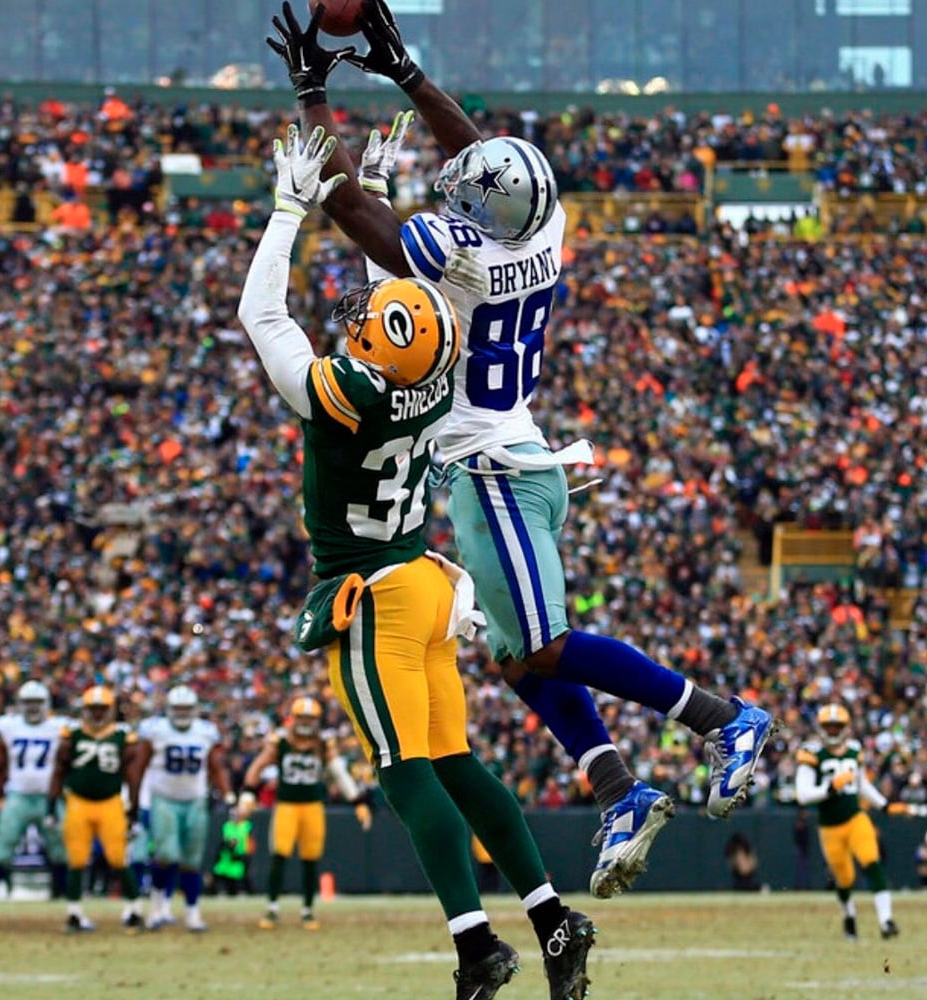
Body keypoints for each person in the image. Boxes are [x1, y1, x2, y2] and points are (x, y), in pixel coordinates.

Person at [267, 0, 776, 899]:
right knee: (513, 657)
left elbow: (348, 204)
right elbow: (478, 158)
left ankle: (721, 717)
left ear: (476, 210)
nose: (453, 182)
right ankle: (620, 788)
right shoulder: (540, 222)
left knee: (538, 644)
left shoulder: (459, 254)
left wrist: (312, 93)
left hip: (493, 470)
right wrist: (408, 73)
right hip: (510, 454)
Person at [237, 122, 594, 1000]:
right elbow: (408, 304)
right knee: (460, 763)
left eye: (363, 326)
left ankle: (478, 946)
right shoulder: (439, 376)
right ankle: (553, 919)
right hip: (426, 583)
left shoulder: (345, 391)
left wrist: (289, 208)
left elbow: (262, 314)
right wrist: (376, 183)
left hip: (375, 594)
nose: (355, 324)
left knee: (406, 775)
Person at [244, 696, 372, 931]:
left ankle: (308, 910)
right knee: (279, 855)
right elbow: (258, 766)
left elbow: (338, 773)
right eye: (301, 717)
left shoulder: (323, 743)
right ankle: (272, 907)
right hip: (287, 805)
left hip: (313, 806)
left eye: (309, 718)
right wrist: (249, 793)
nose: (305, 723)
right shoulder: (281, 740)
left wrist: (357, 800)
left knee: (311, 858)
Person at [0, 680, 69, 931]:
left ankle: (74, 912)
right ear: (20, 704)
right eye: (28, 703)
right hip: (17, 796)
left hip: (48, 797)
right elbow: (0, 768)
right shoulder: (9, 727)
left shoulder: (58, 728)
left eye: (36, 703)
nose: (32, 708)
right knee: (0, 851)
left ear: (46, 705)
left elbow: (65, 766)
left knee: (63, 852)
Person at [794, 703, 911, 940]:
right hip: (830, 826)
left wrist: (884, 805)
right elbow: (803, 794)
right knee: (844, 878)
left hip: (856, 817)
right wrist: (829, 788)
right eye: (830, 727)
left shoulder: (854, 750)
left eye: (838, 727)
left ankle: (886, 921)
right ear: (821, 727)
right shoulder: (812, 753)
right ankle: (849, 915)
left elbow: (861, 785)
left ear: (846, 728)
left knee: (871, 860)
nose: (834, 731)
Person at [134, 684, 233, 932]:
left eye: (186, 708)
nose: (181, 713)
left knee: (191, 861)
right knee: (167, 855)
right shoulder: (155, 731)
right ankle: (157, 906)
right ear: (169, 709)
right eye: (177, 709)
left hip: (195, 799)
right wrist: (135, 800)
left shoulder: (205, 732)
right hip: (164, 798)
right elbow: (139, 766)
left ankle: (192, 912)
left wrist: (227, 794)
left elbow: (215, 767)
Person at [47, 685, 144, 933]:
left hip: (110, 802)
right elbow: (59, 771)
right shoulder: (72, 734)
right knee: (77, 858)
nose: (98, 714)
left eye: (102, 709)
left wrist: (133, 808)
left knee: (118, 857)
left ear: (111, 710)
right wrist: (51, 804)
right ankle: (74, 913)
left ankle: (134, 910)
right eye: (94, 709)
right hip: (78, 801)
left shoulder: (124, 735)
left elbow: (133, 777)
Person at [212, 791, 257, 896]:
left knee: (241, 875)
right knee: (220, 873)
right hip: (227, 857)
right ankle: (218, 890)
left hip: (240, 857)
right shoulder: (227, 826)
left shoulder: (246, 825)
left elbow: (249, 842)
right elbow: (223, 841)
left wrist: (246, 853)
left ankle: (245, 891)